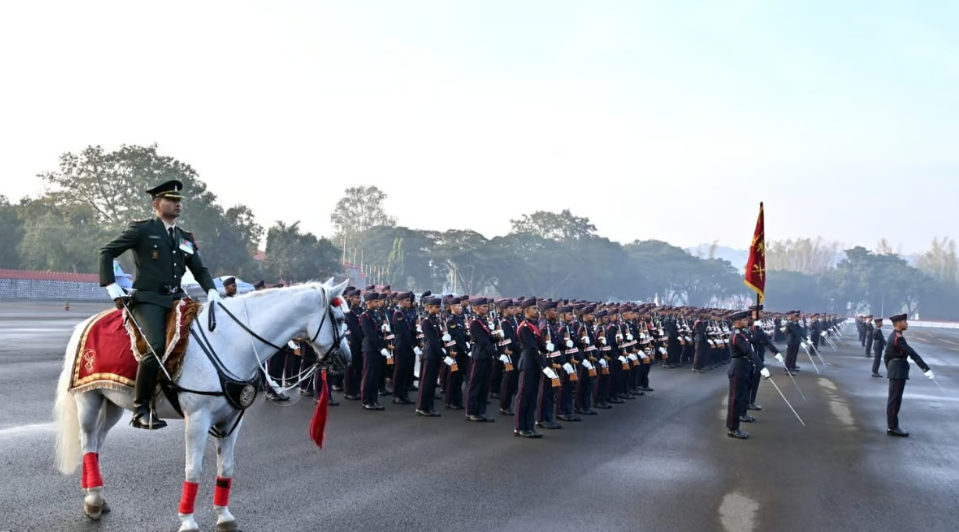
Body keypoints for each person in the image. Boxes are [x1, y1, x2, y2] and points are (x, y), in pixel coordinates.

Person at [98, 179, 220, 430]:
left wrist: (212, 290)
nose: (178, 204)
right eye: (171, 200)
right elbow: (106, 252)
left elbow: (199, 269)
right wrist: (111, 285)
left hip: (177, 299)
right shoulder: (142, 230)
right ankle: (141, 408)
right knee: (155, 348)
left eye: (179, 201)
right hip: (149, 299)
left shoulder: (184, 237)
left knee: (204, 340)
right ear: (156, 204)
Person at [883, 313, 933, 437]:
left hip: (896, 370)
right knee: (894, 401)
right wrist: (925, 368)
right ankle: (892, 427)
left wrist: (890, 368)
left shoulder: (894, 336)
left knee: (894, 399)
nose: (907, 323)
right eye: (905, 322)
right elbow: (912, 352)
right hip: (898, 370)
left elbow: (886, 356)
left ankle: (892, 426)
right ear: (898, 323)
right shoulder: (898, 338)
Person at [726, 310, 769, 440]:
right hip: (738, 368)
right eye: (745, 320)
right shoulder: (737, 336)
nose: (747, 321)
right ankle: (733, 428)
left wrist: (758, 328)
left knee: (742, 396)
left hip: (744, 367)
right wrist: (761, 367)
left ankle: (740, 418)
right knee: (735, 400)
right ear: (738, 321)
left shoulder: (742, 333)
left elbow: (754, 341)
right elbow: (749, 351)